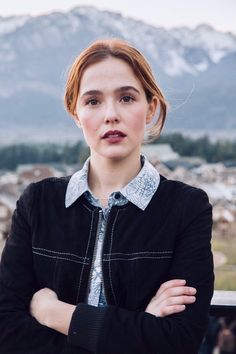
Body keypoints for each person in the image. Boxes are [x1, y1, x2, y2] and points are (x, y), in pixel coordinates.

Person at [0, 38, 214, 354]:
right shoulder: (37, 204)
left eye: (127, 98)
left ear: (151, 108)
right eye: (93, 101)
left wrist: (54, 314)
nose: (111, 115)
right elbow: (7, 332)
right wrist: (141, 325)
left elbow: (179, 340)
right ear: (75, 112)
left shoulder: (186, 208)